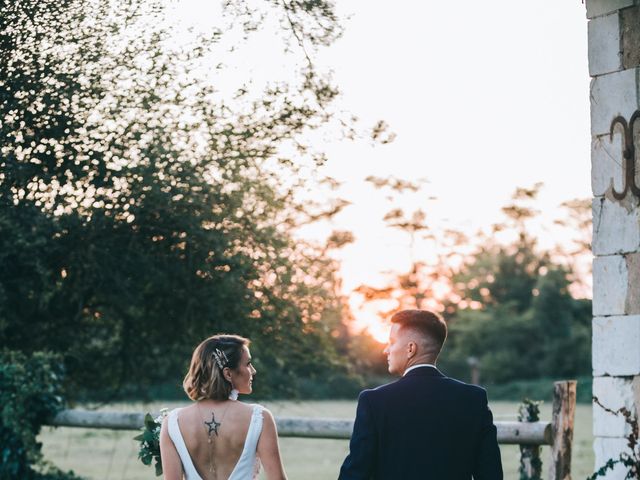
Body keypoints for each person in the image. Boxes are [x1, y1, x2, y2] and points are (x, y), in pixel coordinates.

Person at [338, 309, 503, 479]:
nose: (386, 350)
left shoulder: (374, 401)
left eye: (391, 342)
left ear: (411, 348)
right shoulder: (473, 399)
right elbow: (491, 474)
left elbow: (354, 474)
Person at [160, 334, 287, 480]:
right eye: (248, 364)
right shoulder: (259, 418)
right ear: (227, 373)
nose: (253, 371)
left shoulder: (172, 423)